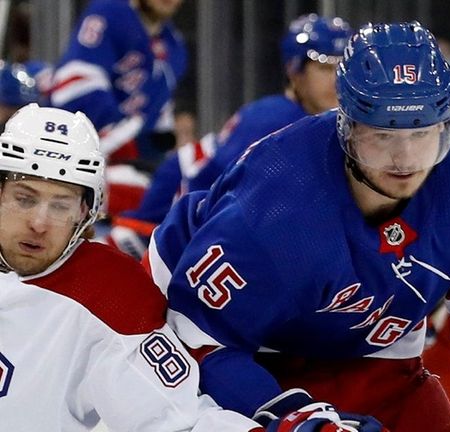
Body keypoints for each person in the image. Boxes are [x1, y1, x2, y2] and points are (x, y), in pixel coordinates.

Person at [146, 21, 450, 432]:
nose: (406, 159)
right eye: (383, 135)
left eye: (423, 133)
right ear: (347, 124)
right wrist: (285, 416)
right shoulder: (277, 202)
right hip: (245, 345)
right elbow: (199, 339)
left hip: (376, 346)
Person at [0, 103, 263, 431]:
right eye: (24, 199)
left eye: (60, 206)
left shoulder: (109, 293)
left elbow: (177, 420)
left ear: (85, 213)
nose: (38, 222)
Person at [108, 13, 351, 259]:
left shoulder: (326, 123)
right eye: (324, 68)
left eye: (342, 69)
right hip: (170, 202)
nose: (336, 81)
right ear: (294, 70)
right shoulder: (273, 120)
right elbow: (214, 187)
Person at [50, 0, 187, 166]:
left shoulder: (174, 46)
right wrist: (117, 136)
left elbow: (160, 114)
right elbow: (75, 80)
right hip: (70, 149)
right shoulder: (109, 13)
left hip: (130, 162)